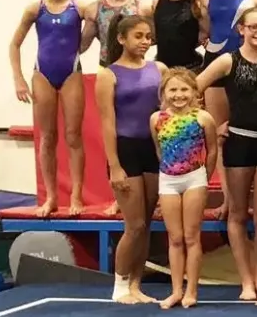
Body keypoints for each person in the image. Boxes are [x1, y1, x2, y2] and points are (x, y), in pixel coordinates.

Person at [195, 6, 257, 300]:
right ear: (241, 29)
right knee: (237, 214)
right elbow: (192, 88)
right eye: (254, 27)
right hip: (239, 142)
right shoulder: (226, 61)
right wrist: (211, 124)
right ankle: (246, 281)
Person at [10, 0, 89, 217]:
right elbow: (14, 44)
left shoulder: (80, 7)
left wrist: (86, 44)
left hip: (71, 74)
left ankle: (76, 196)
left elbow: (105, 20)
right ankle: (52, 197)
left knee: (73, 135)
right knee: (47, 137)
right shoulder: (35, 9)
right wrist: (19, 79)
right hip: (42, 74)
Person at [98, 15, 161, 302]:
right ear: (122, 39)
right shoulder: (108, 74)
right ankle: (120, 286)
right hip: (125, 150)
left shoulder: (159, 68)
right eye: (138, 36)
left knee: (146, 223)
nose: (145, 42)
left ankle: (136, 285)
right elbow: (107, 123)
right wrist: (114, 166)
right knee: (133, 224)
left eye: (148, 36)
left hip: (153, 148)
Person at [152, 68, 219, 309]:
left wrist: (204, 177)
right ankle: (176, 290)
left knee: (191, 237)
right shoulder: (157, 119)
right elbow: (159, 150)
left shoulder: (202, 118)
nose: (178, 95)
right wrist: (169, 170)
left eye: (184, 89)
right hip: (168, 179)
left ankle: (191, 290)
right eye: (173, 90)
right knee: (175, 238)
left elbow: (212, 150)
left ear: (193, 92)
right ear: (164, 92)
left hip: (195, 179)